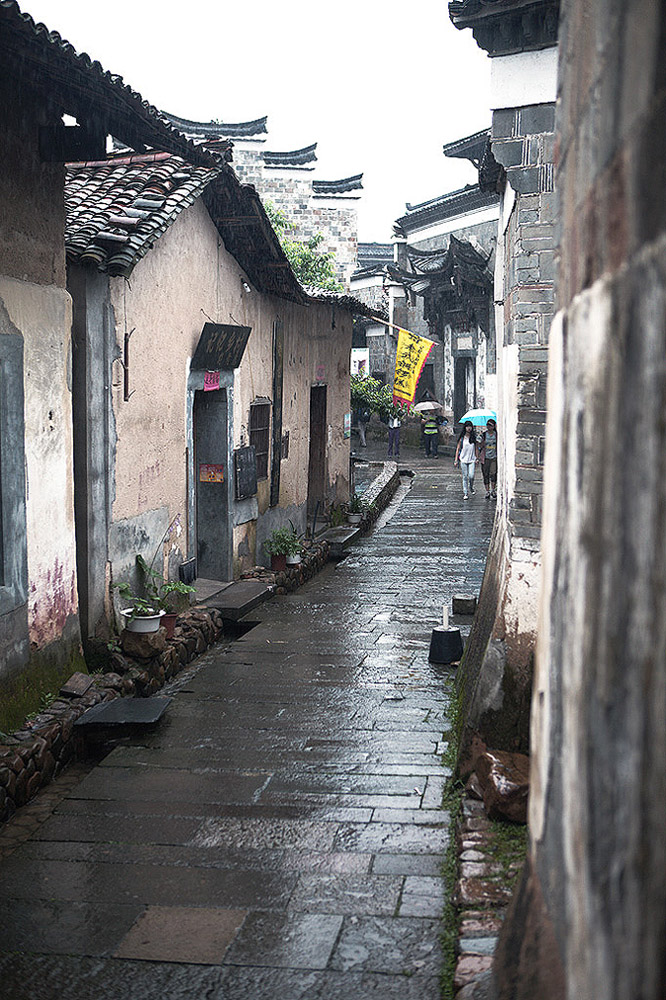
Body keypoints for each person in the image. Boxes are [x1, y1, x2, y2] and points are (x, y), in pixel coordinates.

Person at [454, 420, 478, 499]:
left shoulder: (474, 438)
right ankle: (465, 493)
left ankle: (471, 487)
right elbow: (458, 449)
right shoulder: (462, 438)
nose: (469, 428)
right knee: (465, 476)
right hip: (463, 459)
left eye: (470, 426)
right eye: (467, 426)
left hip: (472, 460)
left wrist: (477, 458)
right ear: (465, 428)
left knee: (471, 476)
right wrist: (456, 460)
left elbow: (476, 449)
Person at [477, 418, 498, 499]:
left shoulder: (496, 435)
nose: (489, 427)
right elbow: (479, 445)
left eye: (491, 425)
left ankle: (493, 490)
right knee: (485, 474)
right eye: (488, 425)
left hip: (494, 457)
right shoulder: (484, 435)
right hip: (485, 457)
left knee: (493, 473)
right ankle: (487, 491)